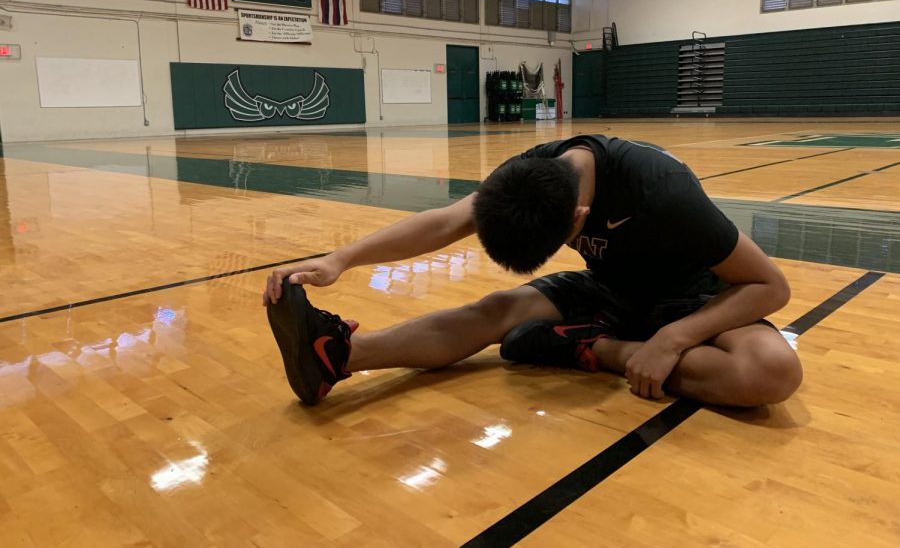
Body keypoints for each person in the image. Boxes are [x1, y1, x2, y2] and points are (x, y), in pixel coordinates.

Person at [263, 135, 802, 408]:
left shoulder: (661, 190)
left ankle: (590, 348)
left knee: (774, 372)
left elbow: (769, 286)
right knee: (496, 310)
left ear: (579, 218)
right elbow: (446, 222)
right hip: (611, 290)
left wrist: (674, 337)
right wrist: (341, 258)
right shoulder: (527, 175)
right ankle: (339, 356)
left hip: (694, 300)